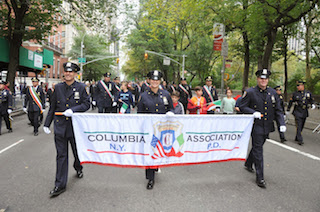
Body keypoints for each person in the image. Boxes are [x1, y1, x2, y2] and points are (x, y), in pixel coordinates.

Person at [43, 62, 90, 197]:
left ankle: (78, 167)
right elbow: (52, 107)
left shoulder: (81, 87)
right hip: (60, 127)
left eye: (71, 72)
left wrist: (73, 110)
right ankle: (60, 184)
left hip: (75, 127)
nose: (68, 74)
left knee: (77, 152)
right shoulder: (57, 88)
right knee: (61, 156)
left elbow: (86, 104)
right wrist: (47, 124)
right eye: (66, 72)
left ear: (75, 74)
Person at [240, 69, 286, 188]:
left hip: (268, 126)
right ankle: (260, 177)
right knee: (259, 151)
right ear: (257, 79)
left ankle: (249, 163)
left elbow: (278, 110)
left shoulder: (272, 93)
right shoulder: (250, 92)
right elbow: (242, 106)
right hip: (256, 127)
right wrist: (252, 112)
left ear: (268, 80)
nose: (263, 81)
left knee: (257, 147)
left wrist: (281, 123)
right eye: (261, 78)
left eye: (265, 79)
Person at [137, 70, 173, 190]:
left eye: (157, 80)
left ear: (160, 81)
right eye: (152, 80)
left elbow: (171, 109)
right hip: (149, 130)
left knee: (159, 150)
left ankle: (156, 166)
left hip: (162, 129)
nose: (155, 82)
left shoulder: (166, 94)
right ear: (149, 81)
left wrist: (170, 114)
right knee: (150, 151)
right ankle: (150, 178)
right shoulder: (143, 96)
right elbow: (140, 114)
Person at [287, 80, 315, 145]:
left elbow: (311, 100)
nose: (298, 87)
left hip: (304, 111)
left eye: (299, 86)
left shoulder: (308, 93)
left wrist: (313, 104)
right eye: (297, 86)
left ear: (302, 86)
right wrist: (288, 110)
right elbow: (291, 102)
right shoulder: (295, 94)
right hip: (297, 111)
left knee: (302, 125)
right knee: (299, 125)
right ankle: (300, 140)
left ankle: (297, 137)